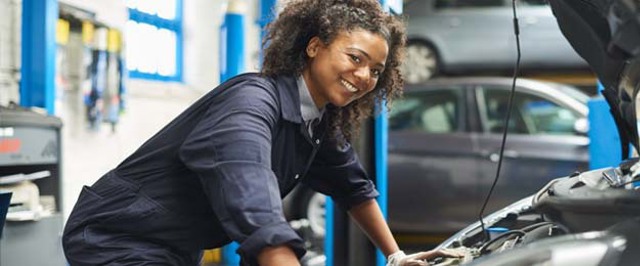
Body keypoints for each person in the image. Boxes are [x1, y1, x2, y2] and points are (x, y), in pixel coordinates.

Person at [62, 0, 462, 265]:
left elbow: (353, 187)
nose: (364, 77)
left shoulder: (316, 122)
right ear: (314, 47)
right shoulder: (251, 101)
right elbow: (248, 187)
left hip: (172, 245)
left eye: (376, 70)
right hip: (113, 237)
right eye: (355, 58)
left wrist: (395, 256)